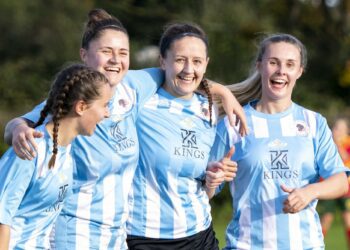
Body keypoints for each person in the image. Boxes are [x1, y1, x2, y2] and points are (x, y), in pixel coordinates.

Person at [3, 9, 247, 249]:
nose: (115, 60)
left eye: (123, 53)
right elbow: (23, 126)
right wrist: (16, 128)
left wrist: (223, 91)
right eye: (106, 52)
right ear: (84, 56)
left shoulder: (134, 85)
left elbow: (182, 72)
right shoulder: (73, 101)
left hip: (118, 237)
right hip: (77, 234)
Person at [209, 33, 349, 249]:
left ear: (299, 71)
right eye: (273, 62)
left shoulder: (313, 123)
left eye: (290, 64)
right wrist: (212, 180)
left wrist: (310, 192)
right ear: (259, 66)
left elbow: (340, 181)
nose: (281, 70)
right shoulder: (231, 124)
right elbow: (203, 192)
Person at [126, 22, 236, 250]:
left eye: (196, 61)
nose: (188, 69)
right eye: (179, 60)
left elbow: (207, 191)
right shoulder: (140, 103)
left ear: (206, 65)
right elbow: (94, 88)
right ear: (162, 61)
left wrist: (214, 178)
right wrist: (30, 122)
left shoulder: (212, 111)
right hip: (143, 237)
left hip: (199, 235)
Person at [0, 64, 111, 249]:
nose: (107, 113)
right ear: (81, 107)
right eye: (105, 105)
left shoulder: (66, 151)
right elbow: (2, 221)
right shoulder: (29, 150)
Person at [319, 117, 350, 247]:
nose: (338, 131)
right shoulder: (327, 143)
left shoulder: (347, 143)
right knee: (327, 218)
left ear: (347, 130)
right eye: (336, 128)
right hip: (330, 185)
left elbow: (345, 157)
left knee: (348, 219)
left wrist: (338, 144)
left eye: (342, 129)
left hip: (347, 186)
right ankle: (316, 244)